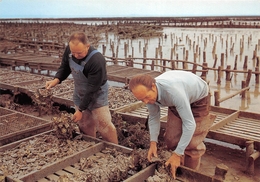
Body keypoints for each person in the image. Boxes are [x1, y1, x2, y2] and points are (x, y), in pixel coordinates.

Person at [128, 70, 215, 179]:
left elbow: (189, 124)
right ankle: (178, 164)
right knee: (171, 139)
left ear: (153, 87)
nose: (145, 102)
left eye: (146, 97)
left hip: (199, 98)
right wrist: (153, 143)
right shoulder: (149, 97)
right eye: (141, 100)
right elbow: (154, 117)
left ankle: (190, 174)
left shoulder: (173, 92)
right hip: (179, 96)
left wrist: (178, 153)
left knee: (192, 143)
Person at [46, 32, 118, 144]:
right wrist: (56, 80)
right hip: (80, 90)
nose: (75, 55)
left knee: (103, 124)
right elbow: (65, 66)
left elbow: (92, 89)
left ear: (87, 46)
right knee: (84, 123)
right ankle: (90, 144)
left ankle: (116, 148)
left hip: (96, 92)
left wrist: (80, 109)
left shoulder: (96, 60)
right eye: (73, 52)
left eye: (79, 53)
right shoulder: (71, 50)